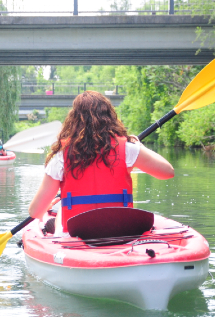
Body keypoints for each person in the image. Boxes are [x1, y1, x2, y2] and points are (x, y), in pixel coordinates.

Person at [28, 91, 174, 235]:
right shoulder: (128, 150)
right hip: (122, 230)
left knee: (61, 209)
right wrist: (138, 145)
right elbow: (168, 172)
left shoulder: (61, 157)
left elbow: (35, 212)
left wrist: (49, 205)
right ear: (110, 117)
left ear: (73, 121)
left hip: (78, 234)